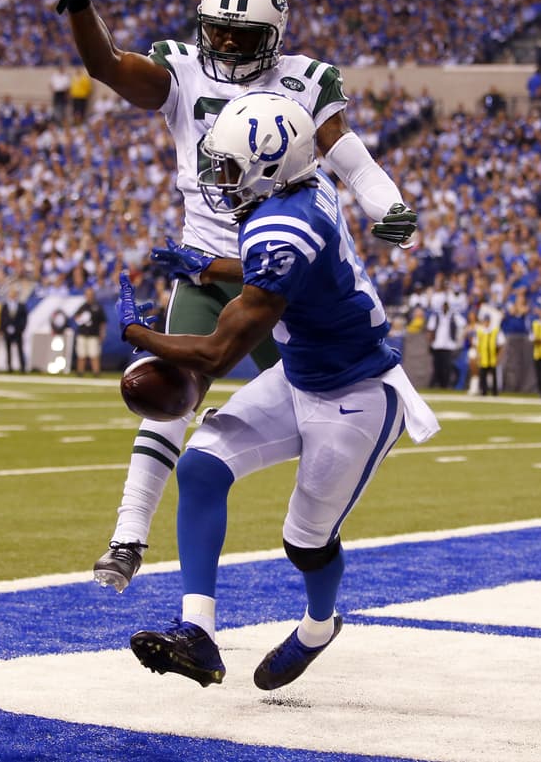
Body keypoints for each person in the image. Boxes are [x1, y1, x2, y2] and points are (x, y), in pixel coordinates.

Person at [36, 0, 419, 592]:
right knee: (167, 394)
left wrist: (386, 204)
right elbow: (105, 66)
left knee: (323, 397)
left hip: (280, 272)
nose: (225, 45)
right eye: (216, 31)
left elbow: (351, 159)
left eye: (241, 37)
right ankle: (128, 536)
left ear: (273, 37)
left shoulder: (304, 81)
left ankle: (318, 532)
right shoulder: (182, 68)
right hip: (205, 263)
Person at [116, 93, 439, 690]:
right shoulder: (304, 188)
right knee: (202, 467)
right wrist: (210, 266)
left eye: (233, 166)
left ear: (270, 164)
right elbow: (271, 260)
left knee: (305, 543)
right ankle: (199, 634)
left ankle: (318, 626)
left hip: (356, 395)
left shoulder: (286, 226)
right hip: (300, 375)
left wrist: (139, 335)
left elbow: (217, 352)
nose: (221, 178)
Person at [71, 286, 106, 376]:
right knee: (81, 354)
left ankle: (96, 372)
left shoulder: (98, 307)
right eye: (87, 295)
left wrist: (102, 333)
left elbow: (103, 322)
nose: (89, 296)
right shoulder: (83, 306)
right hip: (82, 334)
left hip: (93, 334)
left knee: (94, 354)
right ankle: (80, 372)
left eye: (91, 295)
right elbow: (76, 317)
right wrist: (81, 319)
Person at [2, 289, 28, 373]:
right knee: (8, 349)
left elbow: (24, 318)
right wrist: (5, 328)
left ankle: (22, 367)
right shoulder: (5, 305)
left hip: (18, 331)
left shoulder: (21, 305)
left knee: (20, 349)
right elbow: (2, 318)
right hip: (7, 331)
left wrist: (20, 328)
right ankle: (9, 367)